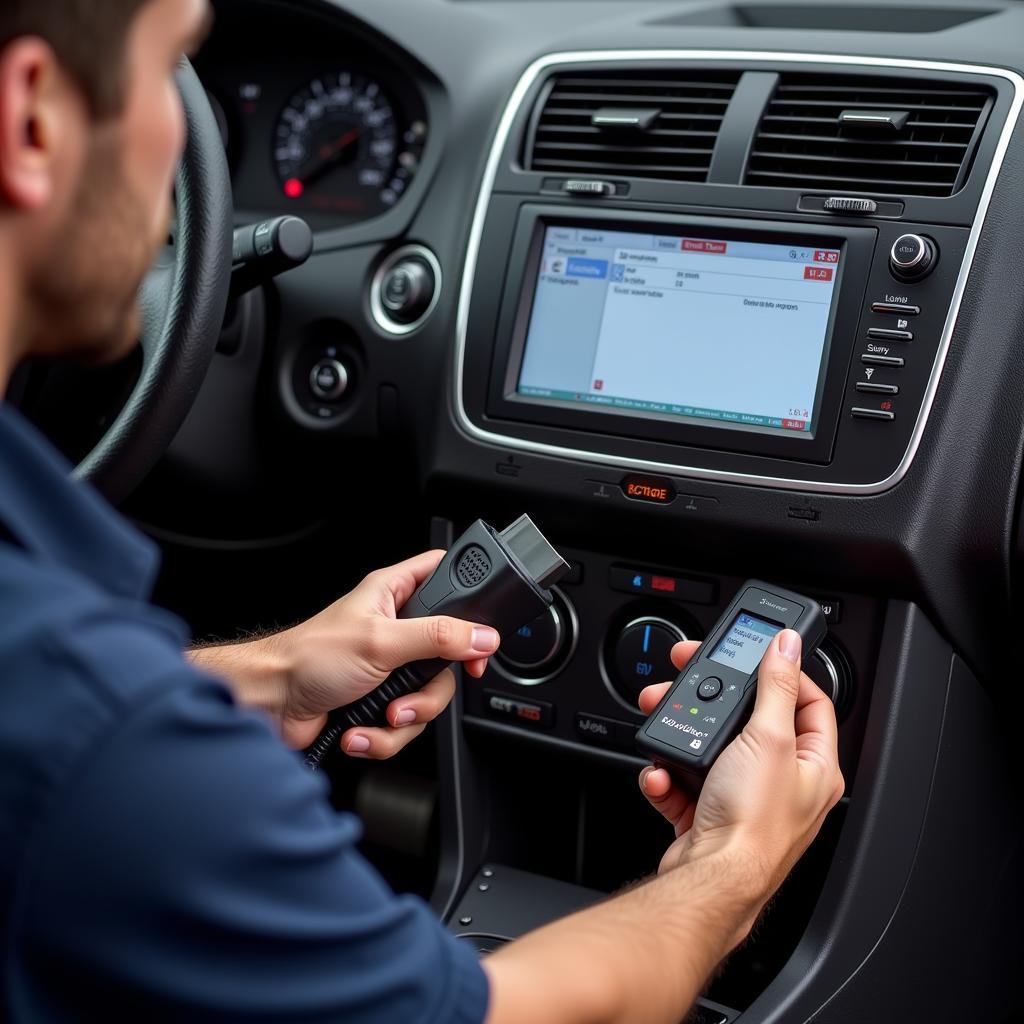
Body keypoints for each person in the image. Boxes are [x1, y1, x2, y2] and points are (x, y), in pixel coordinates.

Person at [0, 1, 845, 1021]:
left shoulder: (66, 701)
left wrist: (265, 674)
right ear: (34, 121)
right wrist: (732, 863)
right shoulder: (107, 742)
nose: (191, 144)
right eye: (175, 73)